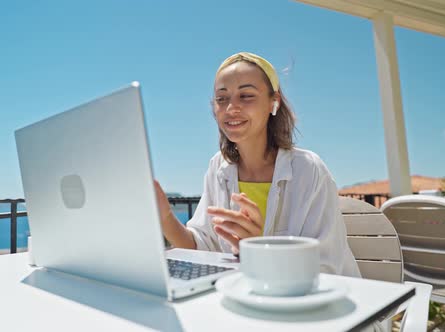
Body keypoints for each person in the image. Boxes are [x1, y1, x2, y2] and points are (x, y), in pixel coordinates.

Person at [154, 52, 360, 277]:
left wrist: (258, 249)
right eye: (221, 98)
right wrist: (165, 217)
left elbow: (325, 268)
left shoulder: (309, 169)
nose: (231, 108)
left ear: (274, 101)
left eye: (246, 96)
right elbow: (200, 246)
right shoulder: (218, 167)